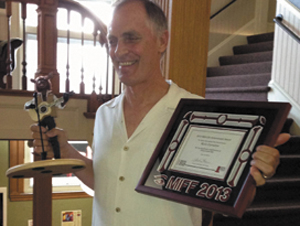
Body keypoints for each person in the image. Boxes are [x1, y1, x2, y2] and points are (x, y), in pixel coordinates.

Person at [30, 0, 290, 225]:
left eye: (131, 38)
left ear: (162, 41)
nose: (119, 51)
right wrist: (67, 153)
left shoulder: (198, 116)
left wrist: (253, 175)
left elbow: (221, 197)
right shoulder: (104, 114)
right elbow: (110, 185)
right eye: (112, 40)